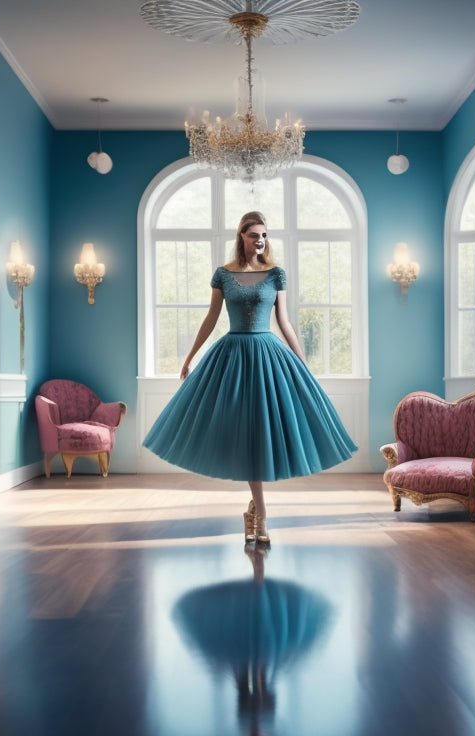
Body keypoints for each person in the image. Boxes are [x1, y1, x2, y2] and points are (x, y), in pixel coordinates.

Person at [143, 211, 357, 544]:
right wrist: (189, 357)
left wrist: (302, 363)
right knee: (244, 435)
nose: (260, 240)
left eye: (264, 236)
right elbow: (211, 319)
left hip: (268, 356)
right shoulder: (223, 275)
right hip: (231, 358)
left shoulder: (276, 275)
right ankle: (261, 515)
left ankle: (256, 511)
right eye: (254, 234)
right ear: (241, 236)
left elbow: (284, 322)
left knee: (260, 436)